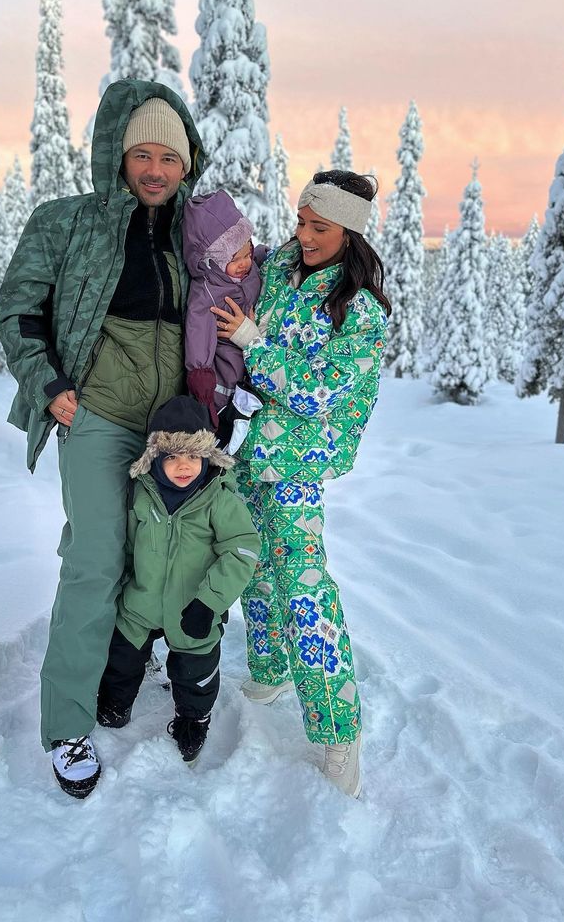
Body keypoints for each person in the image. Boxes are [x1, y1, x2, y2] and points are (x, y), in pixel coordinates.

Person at [0, 79, 205, 799]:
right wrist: (50, 385)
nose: (153, 170)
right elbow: (19, 311)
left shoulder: (197, 233)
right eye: (140, 154)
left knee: (156, 552)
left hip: (174, 424)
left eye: (167, 158)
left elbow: (237, 299)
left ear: (187, 164)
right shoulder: (66, 222)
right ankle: (67, 723)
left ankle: (123, 663)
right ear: (118, 158)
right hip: (97, 414)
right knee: (94, 559)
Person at [210, 170, 391, 797]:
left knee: (304, 585)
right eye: (301, 222)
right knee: (250, 564)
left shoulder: (360, 312)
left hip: (296, 464)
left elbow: (319, 394)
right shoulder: (285, 265)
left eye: (320, 228)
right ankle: (269, 666)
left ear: (350, 232)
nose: (304, 235)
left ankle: (340, 733)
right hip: (249, 449)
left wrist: (254, 345)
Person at [95, 396, 260, 772]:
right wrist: (123, 584)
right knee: (121, 659)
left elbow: (243, 549)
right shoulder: (142, 493)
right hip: (141, 604)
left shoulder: (217, 498)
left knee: (195, 672)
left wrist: (210, 602)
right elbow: (127, 545)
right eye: (171, 456)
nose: (182, 466)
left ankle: (193, 719)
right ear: (155, 458)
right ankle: (116, 702)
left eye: (192, 455)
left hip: (193, 608)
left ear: (207, 456)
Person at [182, 191, 265, 436]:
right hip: (224, 358)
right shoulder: (206, 290)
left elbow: (258, 263)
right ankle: (221, 426)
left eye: (246, 254)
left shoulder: (249, 270)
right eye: (234, 259)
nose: (244, 263)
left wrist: (262, 255)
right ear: (212, 262)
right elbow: (198, 330)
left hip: (253, 351)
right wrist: (200, 371)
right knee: (227, 386)